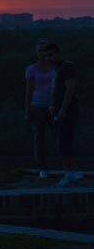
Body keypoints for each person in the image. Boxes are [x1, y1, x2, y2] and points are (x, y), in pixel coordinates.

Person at [44, 43, 82, 186]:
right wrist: (52, 105)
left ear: (58, 53)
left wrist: (63, 109)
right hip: (59, 111)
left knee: (63, 143)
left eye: (51, 55)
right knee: (63, 142)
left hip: (67, 112)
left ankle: (69, 173)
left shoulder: (67, 67)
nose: (48, 58)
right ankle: (71, 172)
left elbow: (70, 89)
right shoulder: (57, 69)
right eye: (46, 55)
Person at [25, 40, 55, 178]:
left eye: (44, 50)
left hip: (54, 106)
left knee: (60, 135)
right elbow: (29, 90)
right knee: (39, 137)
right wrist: (27, 109)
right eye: (39, 51)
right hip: (37, 106)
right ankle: (42, 168)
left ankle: (66, 165)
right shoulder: (32, 69)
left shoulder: (56, 67)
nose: (42, 53)